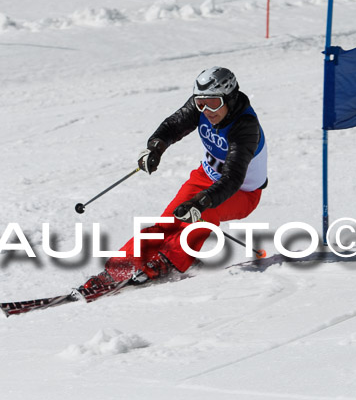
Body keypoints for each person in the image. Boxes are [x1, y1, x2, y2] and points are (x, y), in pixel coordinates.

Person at [78, 66, 267, 295]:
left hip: (242, 193)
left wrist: (202, 201)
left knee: (204, 214)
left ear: (230, 97)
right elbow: (173, 125)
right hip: (205, 177)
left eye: (214, 103)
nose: (207, 110)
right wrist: (155, 148)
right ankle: (118, 269)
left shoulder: (245, 127)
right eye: (200, 103)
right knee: (169, 222)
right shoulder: (203, 107)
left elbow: (233, 178)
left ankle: (167, 262)